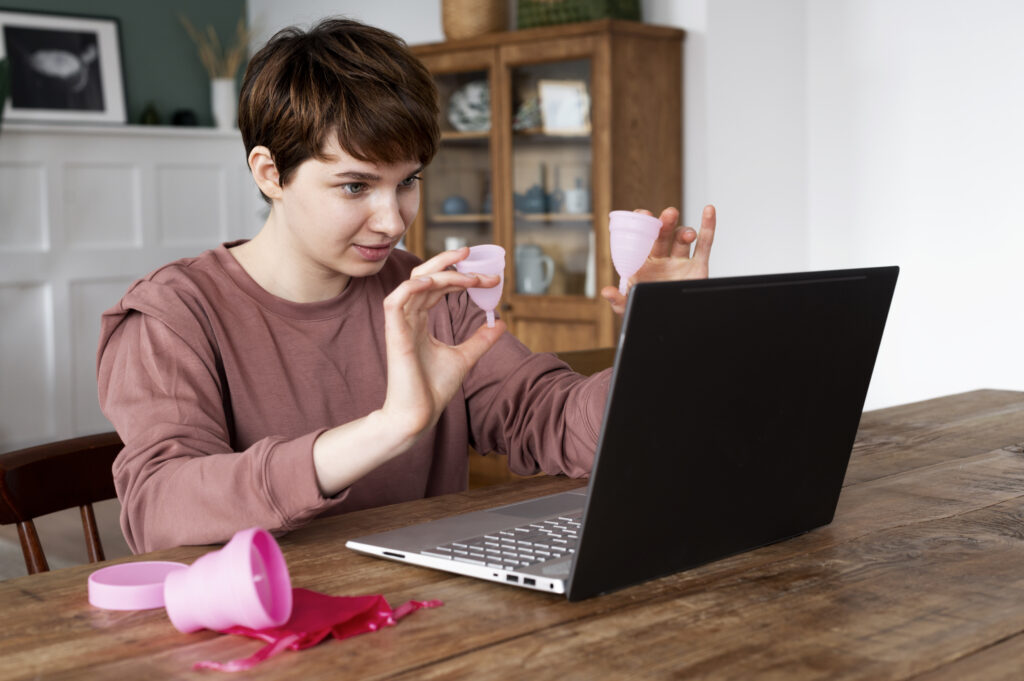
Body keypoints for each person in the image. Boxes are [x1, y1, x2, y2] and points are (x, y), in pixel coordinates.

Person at [96, 18, 717, 554]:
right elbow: (160, 510)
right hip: (262, 633)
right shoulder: (171, 316)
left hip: (425, 617)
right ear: (269, 173)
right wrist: (389, 427)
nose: (393, 221)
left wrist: (663, 338)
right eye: (355, 186)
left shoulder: (431, 297)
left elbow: (548, 417)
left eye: (408, 181)